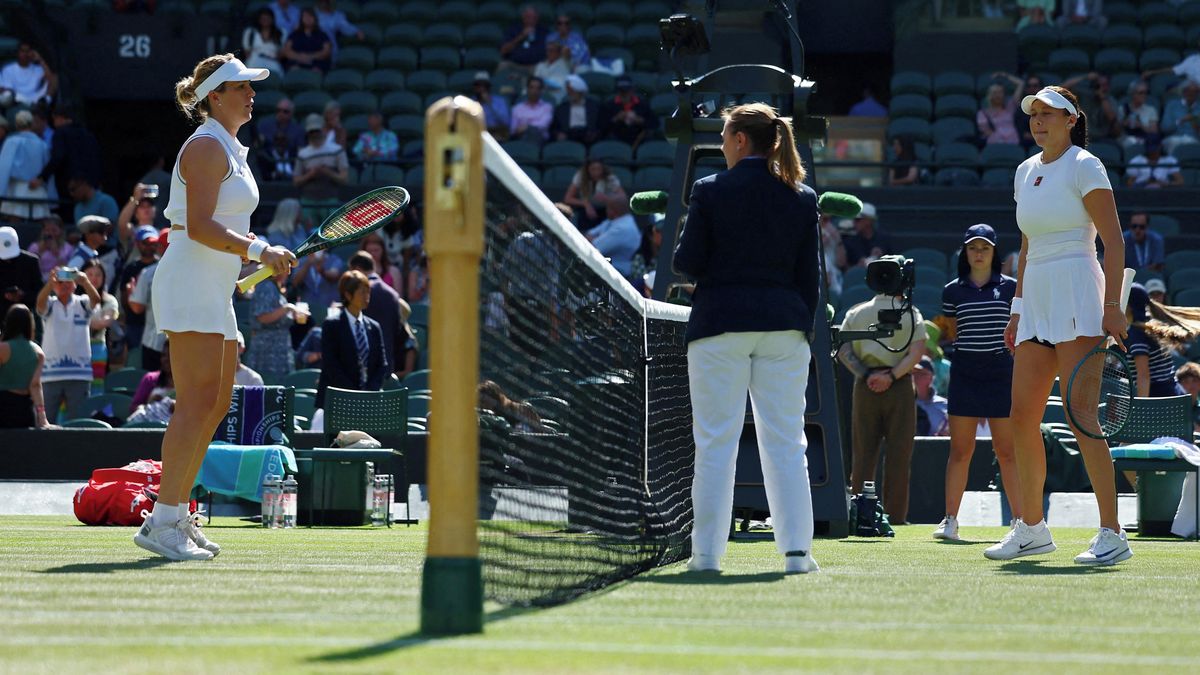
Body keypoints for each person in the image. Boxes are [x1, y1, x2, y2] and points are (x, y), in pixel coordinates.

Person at [134, 54, 294, 562]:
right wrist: (258, 250)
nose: (251, 93)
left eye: (250, 86)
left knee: (217, 403)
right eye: (240, 86)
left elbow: (223, 227)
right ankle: (162, 520)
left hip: (214, 286)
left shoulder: (230, 148)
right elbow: (200, 226)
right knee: (195, 403)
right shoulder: (205, 146)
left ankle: (176, 512)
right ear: (215, 96)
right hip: (189, 282)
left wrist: (253, 256)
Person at [672, 103, 821, 574]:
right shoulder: (802, 197)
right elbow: (810, 279)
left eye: (723, 136)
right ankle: (797, 554)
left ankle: (706, 556)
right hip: (784, 328)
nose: (721, 144)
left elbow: (686, 262)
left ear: (739, 140)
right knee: (787, 443)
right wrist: (799, 326)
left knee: (716, 443)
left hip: (719, 326)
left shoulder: (709, 189)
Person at [986, 85, 1130, 565]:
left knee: (1081, 417)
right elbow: (1027, 245)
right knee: (1021, 417)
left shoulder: (1086, 165)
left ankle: (1112, 533)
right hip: (1037, 302)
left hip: (1079, 292)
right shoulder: (1025, 171)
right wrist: (1017, 309)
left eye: (1049, 114)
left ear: (1071, 120)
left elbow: (1113, 240)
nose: (1039, 121)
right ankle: (1032, 527)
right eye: (1035, 114)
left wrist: (1112, 305)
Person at [932, 223, 1022, 541]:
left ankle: (1020, 522)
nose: (979, 253)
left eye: (984, 248)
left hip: (1001, 373)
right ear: (965, 252)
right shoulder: (952, 291)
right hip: (965, 372)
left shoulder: (1012, 289)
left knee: (1007, 451)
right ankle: (950, 520)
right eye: (973, 247)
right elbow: (953, 331)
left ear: (994, 252)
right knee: (960, 450)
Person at [837, 293, 925, 526]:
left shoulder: (856, 312)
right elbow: (917, 351)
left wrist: (867, 374)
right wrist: (892, 376)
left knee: (862, 455)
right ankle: (895, 517)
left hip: (866, 384)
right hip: (900, 385)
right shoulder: (911, 314)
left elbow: (843, 349)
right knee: (899, 455)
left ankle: (859, 515)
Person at [314, 270, 388, 408]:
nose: (367, 296)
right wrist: (353, 394)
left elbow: (382, 364)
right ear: (348, 295)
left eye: (368, 292)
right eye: (362, 292)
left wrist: (369, 392)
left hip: (367, 402)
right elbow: (331, 364)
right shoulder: (332, 325)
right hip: (337, 401)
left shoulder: (374, 327)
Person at [36, 264, 100, 421]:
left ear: (74, 284)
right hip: (51, 374)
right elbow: (39, 304)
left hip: (79, 374)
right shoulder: (50, 304)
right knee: (46, 422)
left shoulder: (82, 302)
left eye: (68, 281)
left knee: (78, 423)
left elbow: (96, 300)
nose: (64, 285)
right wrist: (49, 284)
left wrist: (85, 281)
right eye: (60, 282)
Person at [244, 259, 302, 385]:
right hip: (267, 351)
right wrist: (287, 308)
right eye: (285, 268)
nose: (288, 272)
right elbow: (263, 317)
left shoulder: (273, 287)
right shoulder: (267, 286)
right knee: (267, 389)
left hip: (277, 349)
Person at [347, 250, 404, 372]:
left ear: (357, 269)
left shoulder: (360, 293)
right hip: (387, 364)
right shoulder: (393, 294)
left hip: (363, 365)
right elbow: (397, 330)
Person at [33, 104, 102, 202]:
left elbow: (58, 157)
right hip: (90, 184)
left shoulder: (61, 133)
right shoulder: (88, 134)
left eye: (54, 119)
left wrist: (42, 177)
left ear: (60, 118)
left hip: (68, 185)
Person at [126, 228, 170, 372]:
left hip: (154, 341)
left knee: (154, 382)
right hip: (184, 339)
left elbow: (137, 307)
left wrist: (131, 292)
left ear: (160, 247)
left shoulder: (149, 273)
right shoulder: (193, 272)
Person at [0, 304, 50, 429]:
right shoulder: (38, 352)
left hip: (3, 408)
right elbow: (35, 385)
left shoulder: (3, 349)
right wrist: (42, 417)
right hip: (25, 410)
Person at [293, 113, 348, 222]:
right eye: (312, 131)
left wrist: (328, 172)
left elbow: (344, 178)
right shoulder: (302, 154)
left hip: (330, 199)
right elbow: (296, 181)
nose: (314, 134)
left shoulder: (337, 150)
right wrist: (310, 175)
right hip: (308, 201)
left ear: (323, 129)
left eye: (317, 130)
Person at [0, 110, 50, 220]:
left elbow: (3, 168)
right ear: (31, 124)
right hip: (37, 189)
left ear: (16, 124)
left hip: (17, 190)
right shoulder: (42, 144)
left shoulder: (12, 142)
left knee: (15, 223)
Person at [81, 259, 118, 394]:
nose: (94, 278)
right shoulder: (75, 299)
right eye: (90, 274)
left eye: (98, 275)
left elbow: (104, 322)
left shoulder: (109, 300)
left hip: (97, 348)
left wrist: (80, 320)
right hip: (75, 347)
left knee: (96, 386)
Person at [584, 193, 638, 278]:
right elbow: (589, 234)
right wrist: (595, 238)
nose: (606, 210)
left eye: (608, 208)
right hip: (605, 269)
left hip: (619, 275)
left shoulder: (623, 228)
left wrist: (595, 238)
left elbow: (593, 247)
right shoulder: (612, 220)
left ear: (614, 210)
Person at [563, 158, 623, 230]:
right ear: (587, 170)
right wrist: (586, 204)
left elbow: (622, 198)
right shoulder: (580, 176)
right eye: (593, 169)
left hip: (606, 210)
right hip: (586, 211)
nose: (596, 172)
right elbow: (568, 198)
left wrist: (607, 199)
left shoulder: (610, 178)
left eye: (599, 169)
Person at [1062, 72, 1121, 142]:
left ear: (1108, 86)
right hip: (1082, 137)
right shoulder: (1084, 95)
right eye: (1098, 85)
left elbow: (1112, 119)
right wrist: (1085, 77)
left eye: (1104, 85)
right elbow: (1063, 88)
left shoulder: (1110, 100)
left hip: (1102, 138)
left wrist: (1102, 98)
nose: (1101, 88)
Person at [0, 225, 42, 320]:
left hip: (26, 318)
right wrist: (4, 295)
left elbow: (40, 293)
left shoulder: (31, 261)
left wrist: (23, 295)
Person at [599, 76, 655, 148]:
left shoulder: (642, 104)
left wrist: (640, 120)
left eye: (627, 91)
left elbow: (654, 123)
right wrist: (615, 119)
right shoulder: (609, 105)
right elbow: (601, 126)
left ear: (632, 90)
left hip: (638, 139)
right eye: (621, 91)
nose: (624, 94)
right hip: (617, 138)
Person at [0, 42, 57, 108]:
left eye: (28, 51)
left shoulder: (38, 69)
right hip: (16, 100)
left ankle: (45, 103)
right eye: (23, 51)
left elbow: (52, 79)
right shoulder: (8, 69)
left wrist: (40, 59)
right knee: (7, 94)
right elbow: (7, 90)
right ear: (18, 53)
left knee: (55, 78)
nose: (25, 54)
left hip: (36, 100)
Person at [551, 75, 600, 145]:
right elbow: (554, 128)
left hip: (588, 137)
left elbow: (600, 126)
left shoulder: (594, 106)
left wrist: (595, 134)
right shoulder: (561, 108)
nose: (570, 93)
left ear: (581, 92)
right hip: (568, 137)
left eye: (573, 91)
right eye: (569, 90)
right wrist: (558, 134)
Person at [281, 8, 333, 74]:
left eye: (310, 16)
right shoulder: (294, 34)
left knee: (317, 70)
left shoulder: (322, 35)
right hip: (297, 61)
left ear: (315, 18)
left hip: (317, 62)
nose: (308, 19)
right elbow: (286, 51)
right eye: (305, 16)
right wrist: (299, 57)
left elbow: (327, 52)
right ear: (301, 19)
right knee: (293, 69)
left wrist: (310, 57)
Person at [499, 5, 548, 74]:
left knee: (543, 69)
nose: (531, 20)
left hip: (535, 66)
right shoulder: (513, 29)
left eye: (534, 17)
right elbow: (503, 51)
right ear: (523, 17)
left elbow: (550, 51)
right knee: (503, 65)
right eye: (528, 17)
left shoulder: (544, 31)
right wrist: (521, 36)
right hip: (514, 64)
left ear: (537, 18)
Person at [841, 202, 892, 268]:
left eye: (858, 220)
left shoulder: (883, 239)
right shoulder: (850, 241)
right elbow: (844, 267)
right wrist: (857, 267)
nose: (854, 222)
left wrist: (881, 257)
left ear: (869, 221)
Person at [976, 78, 1022, 145]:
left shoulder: (1010, 107)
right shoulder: (982, 113)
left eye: (1000, 92)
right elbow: (986, 131)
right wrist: (1001, 139)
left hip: (1014, 141)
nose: (998, 95)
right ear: (989, 95)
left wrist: (1004, 75)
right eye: (994, 92)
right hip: (996, 142)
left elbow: (1020, 84)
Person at [27, 216, 73, 281]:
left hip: (59, 280)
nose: (50, 233)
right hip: (38, 280)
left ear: (61, 230)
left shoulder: (68, 248)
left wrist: (56, 254)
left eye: (54, 230)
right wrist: (40, 252)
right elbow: (29, 269)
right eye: (47, 230)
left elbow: (70, 274)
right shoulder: (34, 247)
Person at [242, 8, 285, 78]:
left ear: (272, 19)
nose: (265, 21)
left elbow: (282, 53)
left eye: (268, 18)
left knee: (278, 76)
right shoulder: (250, 32)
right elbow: (247, 52)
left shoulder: (280, 33)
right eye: (263, 19)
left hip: (273, 61)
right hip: (254, 60)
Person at [1161, 81, 1200, 155]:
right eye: (1189, 90)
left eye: (1195, 91)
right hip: (1174, 138)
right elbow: (1165, 128)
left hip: (1194, 139)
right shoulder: (1172, 105)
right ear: (1183, 92)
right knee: (1174, 142)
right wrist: (1181, 120)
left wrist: (1197, 128)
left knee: (1191, 143)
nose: (1192, 94)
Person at [509, 76, 553, 143]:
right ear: (527, 89)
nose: (534, 91)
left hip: (539, 140)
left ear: (541, 91)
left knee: (534, 132)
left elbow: (543, 125)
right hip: (520, 138)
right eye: (531, 87)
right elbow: (513, 129)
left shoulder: (547, 107)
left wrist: (526, 127)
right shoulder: (517, 108)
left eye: (537, 88)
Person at [913, 356, 948, 436]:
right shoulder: (903, 404)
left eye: (923, 374)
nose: (917, 377)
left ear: (932, 377)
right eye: (914, 373)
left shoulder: (945, 405)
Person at [470, 72, 511, 139]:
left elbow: (506, 122)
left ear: (489, 87)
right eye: (478, 85)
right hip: (477, 134)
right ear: (474, 87)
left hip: (497, 134)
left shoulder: (500, 101)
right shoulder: (470, 103)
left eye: (485, 86)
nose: (482, 88)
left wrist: (490, 104)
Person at [1119, 81, 1159, 149]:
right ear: (1132, 94)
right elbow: (1116, 131)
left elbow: (1154, 131)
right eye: (1141, 93)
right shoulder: (1122, 109)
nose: (1144, 95)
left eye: (1146, 93)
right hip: (1126, 139)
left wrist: (1140, 125)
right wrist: (1123, 124)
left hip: (1145, 140)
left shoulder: (1151, 110)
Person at [533, 38, 572, 103]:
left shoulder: (565, 63)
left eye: (551, 51)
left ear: (558, 52)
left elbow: (567, 51)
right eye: (547, 50)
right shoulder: (540, 65)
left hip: (558, 96)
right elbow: (534, 82)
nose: (548, 53)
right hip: (541, 95)